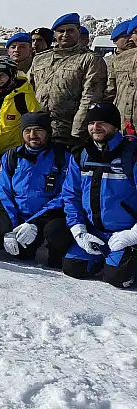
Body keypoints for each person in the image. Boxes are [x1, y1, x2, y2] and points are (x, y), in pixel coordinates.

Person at [0, 111, 71, 268]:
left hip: (48, 218)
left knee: (56, 231)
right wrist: (8, 229)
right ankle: (22, 246)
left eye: (38, 130)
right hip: (18, 216)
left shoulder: (63, 158)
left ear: (48, 132)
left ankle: (56, 254)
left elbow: (65, 194)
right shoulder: (11, 157)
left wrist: (35, 223)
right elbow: (4, 193)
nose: (32, 135)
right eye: (27, 131)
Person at [60, 102, 137, 286]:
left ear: (115, 126)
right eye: (91, 123)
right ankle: (108, 259)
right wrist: (78, 229)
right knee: (73, 267)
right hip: (95, 232)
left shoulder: (132, 154)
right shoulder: (81, 155)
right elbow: (71, 194)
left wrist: (133, 234)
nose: (96, 127)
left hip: (127, 232)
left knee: (117, 278)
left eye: (102, 122)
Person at [29, 12, 107, 146]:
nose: (65, 34)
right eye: (61, 31)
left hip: (68, 131)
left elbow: (90, 97)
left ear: (78, 32)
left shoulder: (90, 59)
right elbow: (28, 91)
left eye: (70, 31)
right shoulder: (40, 59)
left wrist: (77, 132)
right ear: (54, 34)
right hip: (38, 130)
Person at [0, 57, 41, 160]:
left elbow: (36, 123)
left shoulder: (24, 98)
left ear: (11, 75)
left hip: (14, 155)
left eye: (2, 75)